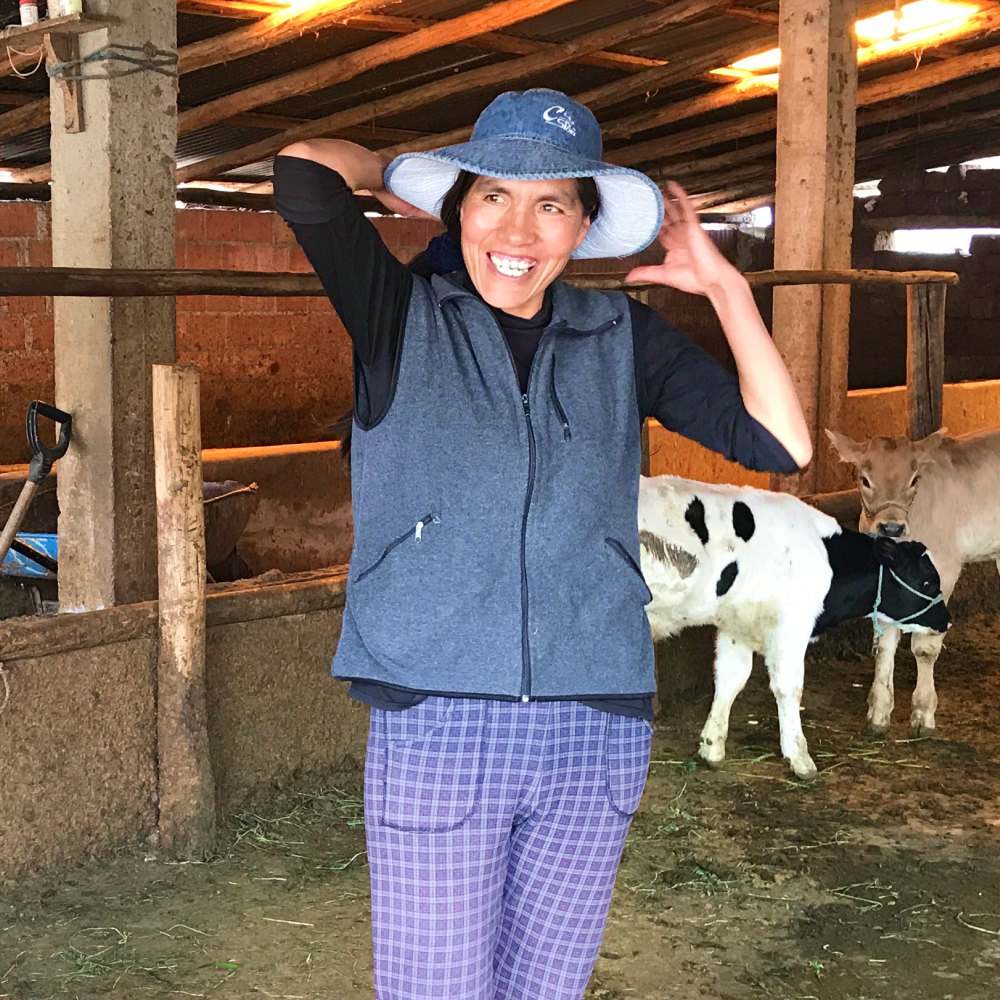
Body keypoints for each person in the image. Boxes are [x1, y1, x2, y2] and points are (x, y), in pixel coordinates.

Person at [272, 88, 812, 1000]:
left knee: (548, 989)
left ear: (581, 229)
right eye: (494, 196)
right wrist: (396, 174)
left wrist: (725, 287)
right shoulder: (399, 317)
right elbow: (304, 178)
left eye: (551, 202)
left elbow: (782, 444)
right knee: (436, 989)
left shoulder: (620, 336)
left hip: (593, 719)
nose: (518, 228)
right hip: (436, 714)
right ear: (459, 210)